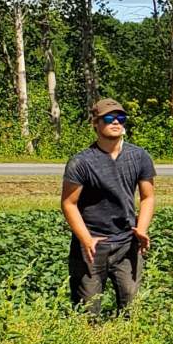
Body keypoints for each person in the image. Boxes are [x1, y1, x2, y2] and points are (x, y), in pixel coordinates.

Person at [61, 98, 157, 317]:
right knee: (87, 310)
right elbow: (68, 203)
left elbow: (148, 197)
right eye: (109, 118)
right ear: (95, 123)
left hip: (127, 242)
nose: (116, 122)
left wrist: (141, 229)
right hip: (92, 245)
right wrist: (85, 239)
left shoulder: (139, 156)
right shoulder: (81, 162)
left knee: (131, 306)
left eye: (121, 118)